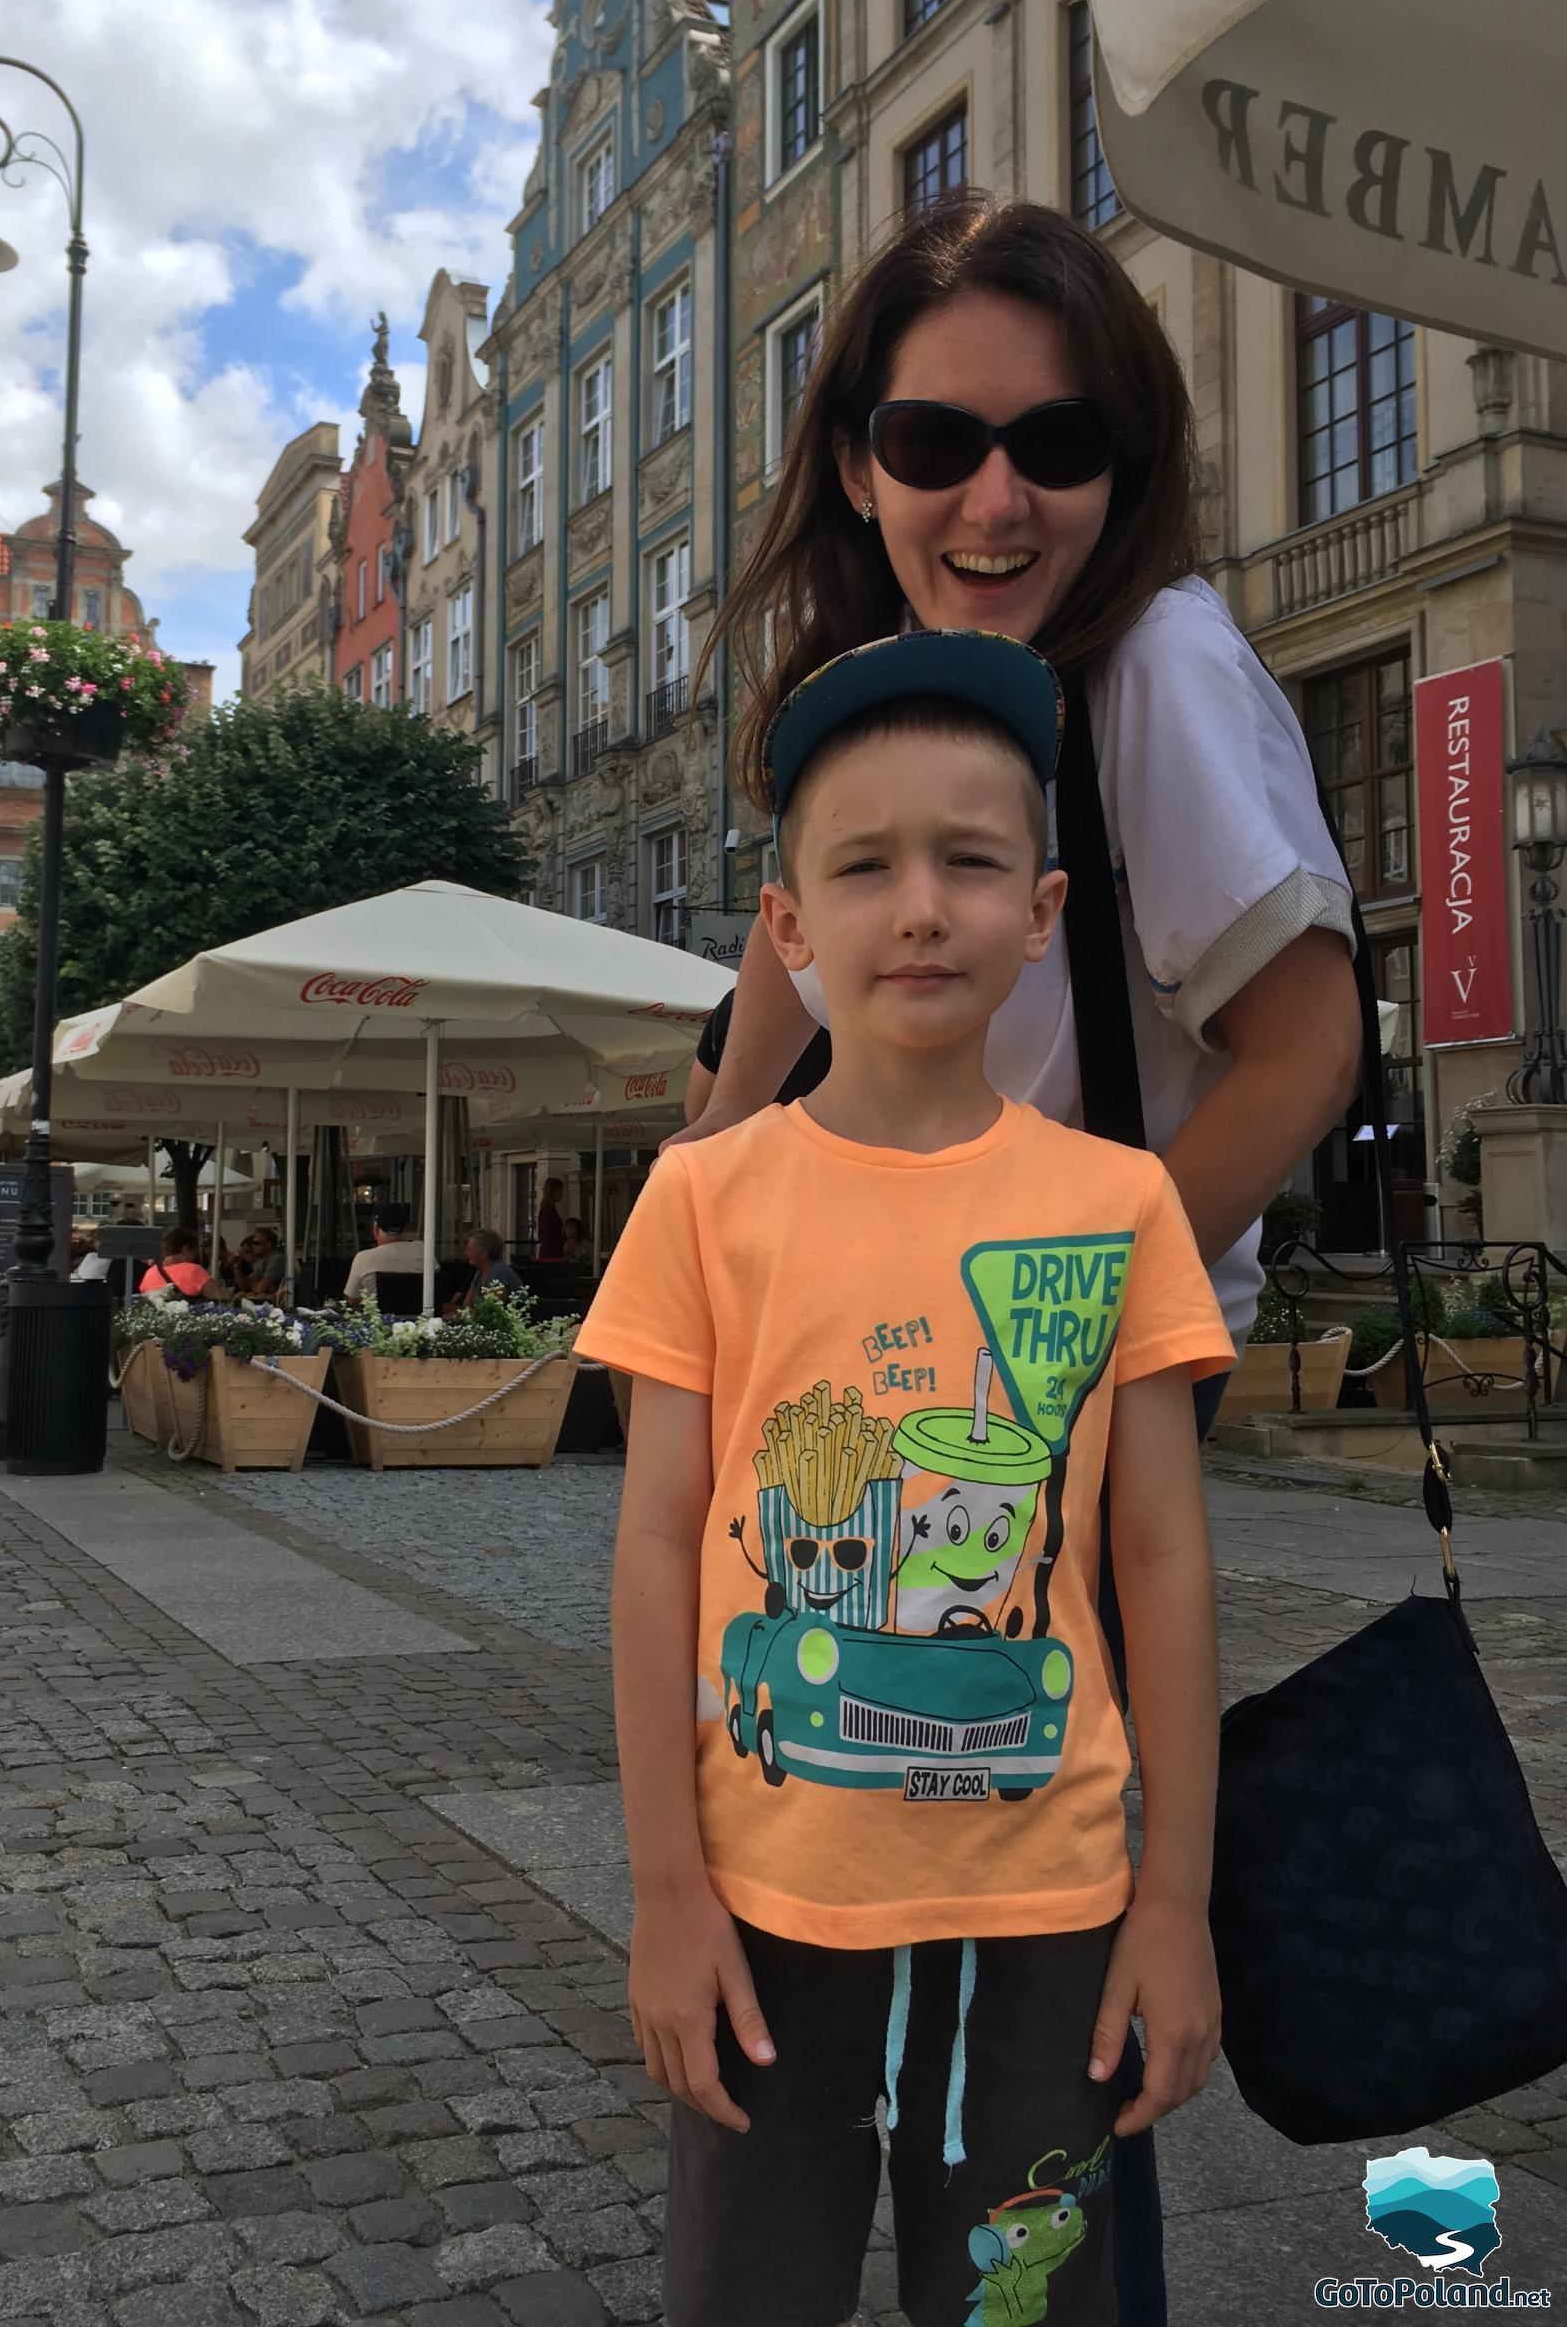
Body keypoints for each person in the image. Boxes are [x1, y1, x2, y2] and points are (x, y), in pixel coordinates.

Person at [679, 196, 1362, 2322]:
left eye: (1056, 448)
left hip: (1049, 1450)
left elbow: (1308, 1035)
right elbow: (768, 1014)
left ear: (1126, 463)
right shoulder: (878, 682)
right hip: (874, 1429)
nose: (993, 495)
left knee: (1041, 2035)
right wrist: (710, 1204)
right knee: (844, 1927)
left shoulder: (1148, 660)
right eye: (935, 439)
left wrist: (1070, 1328)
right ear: (857, 461)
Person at [578, 634, 1232, 2327]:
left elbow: (1158, 1559)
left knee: (1026, 2306)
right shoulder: (707, 1204)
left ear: (1045, 907)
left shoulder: (1116, 1206)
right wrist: (662, 1893)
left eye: (970, 861)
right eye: (863, 867)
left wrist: (1176, 1903)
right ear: (788, 932)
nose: (920, 908)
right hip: (764, 1903)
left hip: (1052, 1915)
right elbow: (655, 1550)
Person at [341, 1202, 429, 1303]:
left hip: (377, 1318)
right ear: (404, 1229)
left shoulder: (363, 1258)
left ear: (375, 1228)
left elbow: (353, 1301)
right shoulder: (423, 1250)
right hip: (423, 1318)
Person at [445, 1226, 523, 1315]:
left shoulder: (499, 1272)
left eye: (469, 1249)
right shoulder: (479, 1272)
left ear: (484, 1254)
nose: (465, 1254)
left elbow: (492, 1311)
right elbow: (467, 1306)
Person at [137, 1226, 215, 1300]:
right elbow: (219, 1297)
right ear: (186, 1249)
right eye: (194, 1253)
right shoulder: (193, 1270)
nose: (193, 1258)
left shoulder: (149, 1273)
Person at [535, 1177, 567, 1263]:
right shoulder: (548, 1211)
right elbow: (547, 1235)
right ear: (553, 1192)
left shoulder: (547, 1209)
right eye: (560, 1192)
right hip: (551, 1253)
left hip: (550, 1251)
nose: (562, 1195)